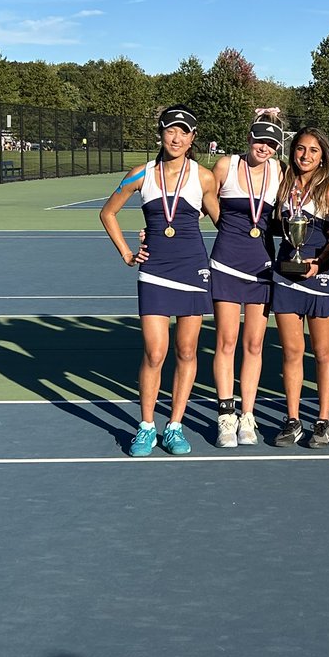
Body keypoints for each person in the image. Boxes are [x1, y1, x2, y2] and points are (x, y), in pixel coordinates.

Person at [99, 105, 220, 457]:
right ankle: (146, 426)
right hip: (154, 271)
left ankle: (175, 426)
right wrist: (126, 253)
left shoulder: (204, 177)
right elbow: (108, 212)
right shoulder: (141, 174)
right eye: (171, 131)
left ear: (193, 137)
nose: (177, 138)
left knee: (186, 350)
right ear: (161, 133)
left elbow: (225, 225)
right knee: (155, 352)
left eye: (184, 132)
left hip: (193, 269)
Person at [207, 108, 285, 448]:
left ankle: (247, 416)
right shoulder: (226, 165)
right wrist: (223, 224)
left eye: (270, 142)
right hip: (225, 262)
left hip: (262, 267)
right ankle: (226, 415)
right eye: (259, 140)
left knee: (254, 344)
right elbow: (204, 197)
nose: (263, 147)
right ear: (249, 139)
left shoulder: (277, 171)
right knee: (226, 340)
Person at [271, 127, 329, 448]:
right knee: (291, 352)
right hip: (286, 274)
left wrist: (320, 262)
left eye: (313, 151)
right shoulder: (283, 183)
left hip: (321, 274)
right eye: (301, 149)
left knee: (323, 351)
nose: (306, 156)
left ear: (323, 155)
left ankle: (323, 420)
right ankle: (292, 419)